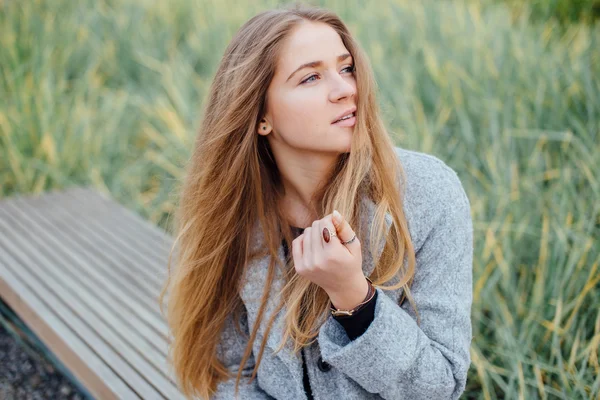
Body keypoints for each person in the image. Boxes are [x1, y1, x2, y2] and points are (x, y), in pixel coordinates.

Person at [159, 2, 473, 399]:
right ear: (260, 115)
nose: (346, 90)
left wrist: (355, 298)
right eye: (310, 78)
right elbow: (228, 372)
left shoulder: (427, 193)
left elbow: (439, 387)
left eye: (346, 68)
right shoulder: (234, 211)